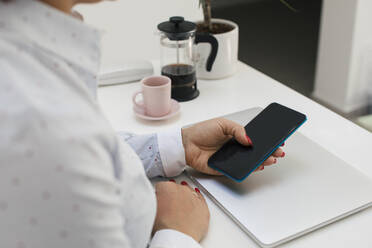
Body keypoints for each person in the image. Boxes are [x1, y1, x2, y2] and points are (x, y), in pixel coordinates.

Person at [0, 0, 285, 248]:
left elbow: (89, 154)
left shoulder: (32, 64)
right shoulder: (35, 121)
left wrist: (180, 146)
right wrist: (177, 233)